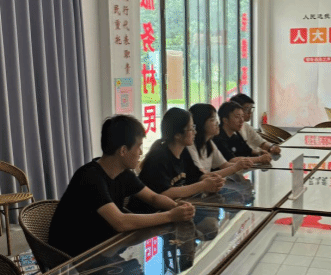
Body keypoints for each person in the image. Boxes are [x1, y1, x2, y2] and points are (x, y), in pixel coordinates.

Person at [48, 115, 195, 258]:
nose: (141, 152)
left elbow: (153, 198)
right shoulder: (89, 177)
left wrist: (177, 207)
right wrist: (171, 216)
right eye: (138, 146)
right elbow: (120, 222)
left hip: (105, 247)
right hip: (74, 257)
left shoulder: (123, 173)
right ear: (123, 150)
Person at [128, 107, 225, 210]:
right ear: (177, 135)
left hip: (172, 210)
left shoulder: (184, 152)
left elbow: (196, 176)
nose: (195, 132)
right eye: (191, 129)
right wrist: (203, 185)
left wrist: (213, 179)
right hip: (150, 213)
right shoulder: (158, 158)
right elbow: (165, 193)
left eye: (194, 127)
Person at [188, 103, 254, 176]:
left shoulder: (209, 142)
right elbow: (202, 176)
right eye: (212, 120)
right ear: (201, 123)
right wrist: (236, 167)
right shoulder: (190, 145)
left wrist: (242, 165)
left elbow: (224, 165)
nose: (217, 122)